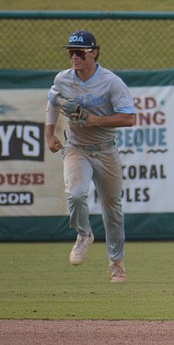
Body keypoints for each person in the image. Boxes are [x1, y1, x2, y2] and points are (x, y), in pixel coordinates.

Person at [45, 30, 138, 283]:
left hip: (106, 149)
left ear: (94, 52)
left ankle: (116, 263)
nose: (74, 57)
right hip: (76, 147)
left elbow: (130, 118)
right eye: (70, 52)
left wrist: (95, 120)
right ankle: (84, 234)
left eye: (80, 52)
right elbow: (53, 101)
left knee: (113, 210)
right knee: (75, 193)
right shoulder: (63, 79)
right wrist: (50, 134)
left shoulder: (111, 82)